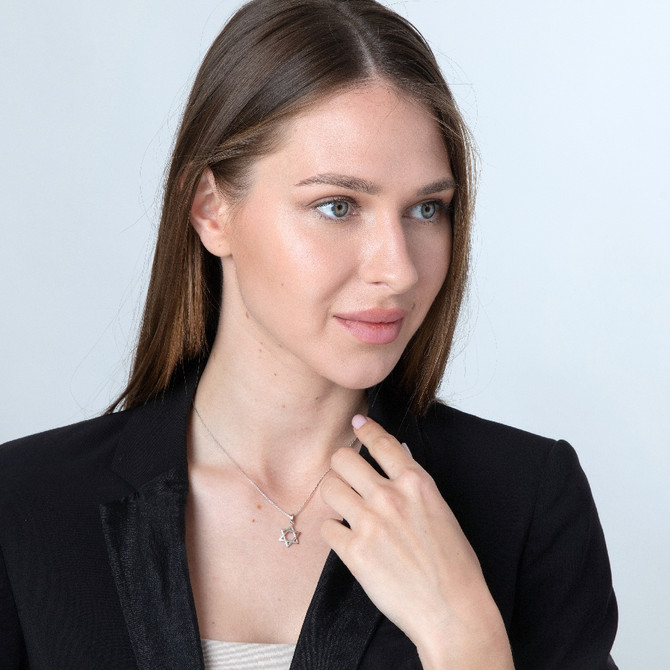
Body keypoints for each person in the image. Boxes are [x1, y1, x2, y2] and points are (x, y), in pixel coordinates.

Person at [0, 0, 618, 668]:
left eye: (426, 208)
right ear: (211, 211)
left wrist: (462, 634)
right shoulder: (25, 506)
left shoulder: (526, 502)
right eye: (338, 206)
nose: (398, 268)